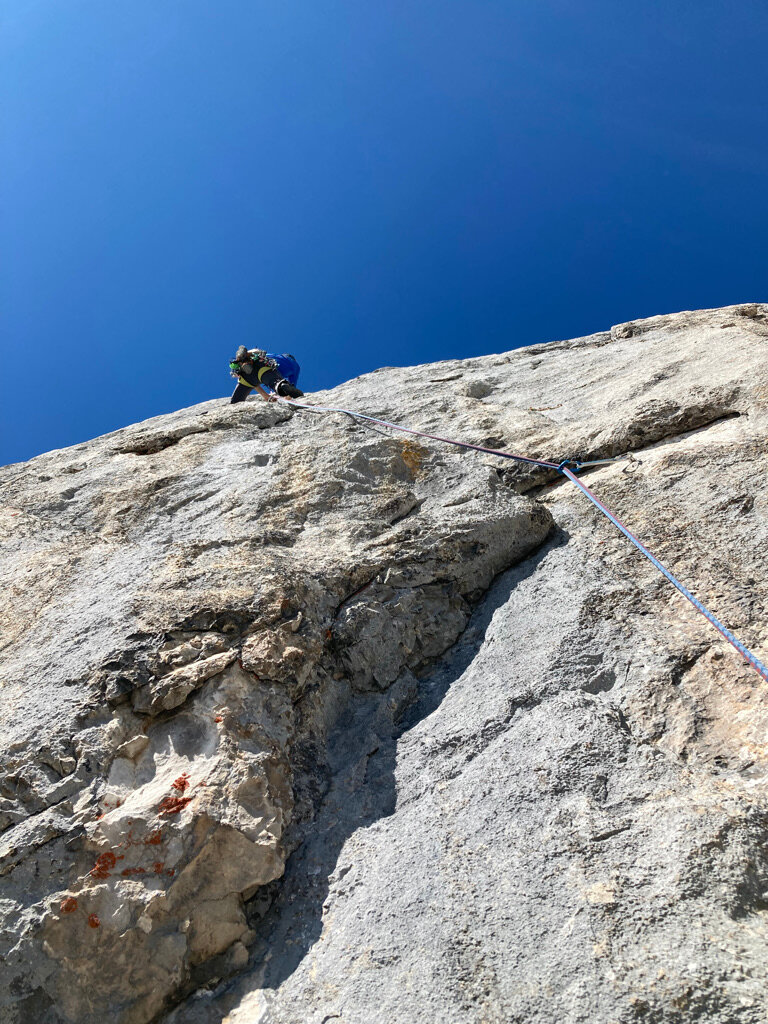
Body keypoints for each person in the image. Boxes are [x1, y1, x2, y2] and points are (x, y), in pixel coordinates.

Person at [229, 347, 304, 404]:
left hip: (257, 366)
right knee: (277, 384)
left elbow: (260, 353)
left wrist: (265, 395)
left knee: (247, 381)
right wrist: (287, 395)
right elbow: (292, 385)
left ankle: (242, 360)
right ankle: (281, 386)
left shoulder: (275, 356)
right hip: (266, 371)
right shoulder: (296, 367)